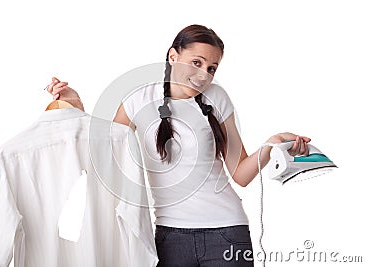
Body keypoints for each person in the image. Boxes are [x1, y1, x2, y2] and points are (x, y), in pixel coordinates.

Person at [47, 24, 310, 267]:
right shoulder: (139, 99)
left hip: (228, 233)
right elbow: (105, 152)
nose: (203, 74)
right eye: (196, 62)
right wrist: (76, 109)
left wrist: (271, 145)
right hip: (170, 238)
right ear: (173, 56)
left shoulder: (217, 98)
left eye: (212, 68)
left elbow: (241, 174)